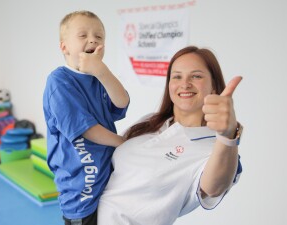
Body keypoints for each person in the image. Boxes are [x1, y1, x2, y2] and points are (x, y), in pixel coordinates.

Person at [98, 46, 243, 225]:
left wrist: (227, 136)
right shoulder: (150, 122)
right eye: (177, 76)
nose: (185, 83)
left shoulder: (217, 150)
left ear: (213, 86)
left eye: (196, 76)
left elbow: (214, 187)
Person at [42, 10, 130, 225]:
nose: (92, 39)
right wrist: (124, 143)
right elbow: (86, 129)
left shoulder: (100, 78)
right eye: (83, 35)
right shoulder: (59, 81)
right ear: (64, 47)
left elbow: (122, 102)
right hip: (79, 186)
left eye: (99, 36)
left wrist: (102, 72)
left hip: (107, 177)